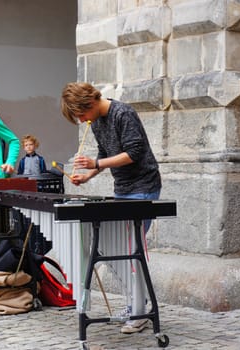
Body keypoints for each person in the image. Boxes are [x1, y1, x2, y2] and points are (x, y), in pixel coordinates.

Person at [60, 82, 162, 334]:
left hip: (143, 187)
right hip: (123, 189)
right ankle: (136, 304)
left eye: (81, 114)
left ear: (89, 104)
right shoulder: (95, 122)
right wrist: (87, 176)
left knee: (132, 249)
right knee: (114, 248)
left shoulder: (123, 113)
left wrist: (96, 161)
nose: (82, 120)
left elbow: (134, 152)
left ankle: (139, 311)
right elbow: (106, 157)